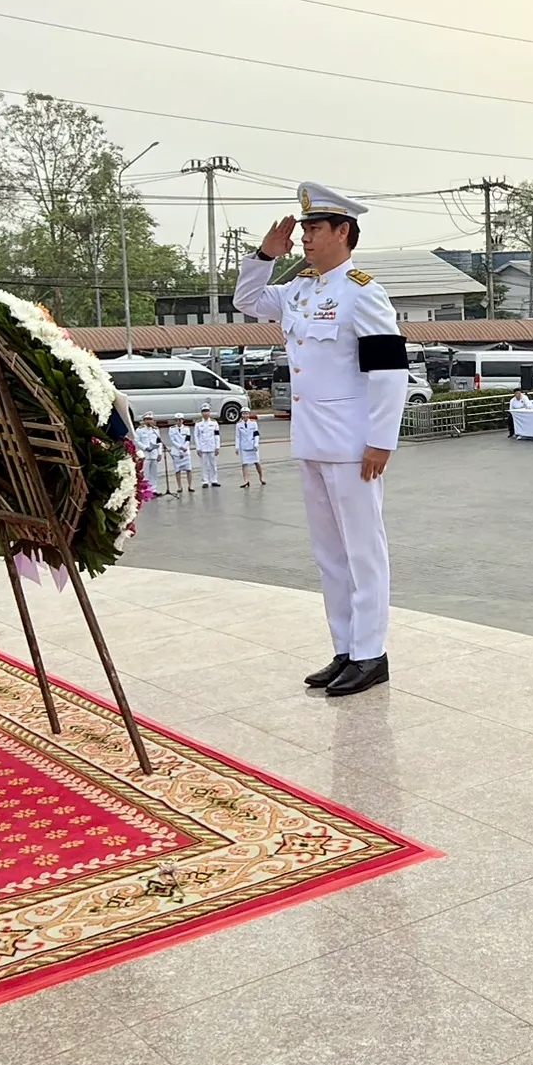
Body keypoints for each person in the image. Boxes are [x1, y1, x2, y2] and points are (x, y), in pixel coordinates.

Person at [233, 183, 406, 696]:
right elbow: (245, 299)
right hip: (311, 440)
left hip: (354, 444)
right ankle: (346, 648)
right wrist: (267, 254)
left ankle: (372, 654)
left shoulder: (362, 291)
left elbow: (389, 371)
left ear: (342, 232)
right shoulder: (300, 289)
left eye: (314, 228)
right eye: (303, 228)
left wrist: (381, 440)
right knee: (329, 553)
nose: (305, 237)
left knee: (363, 551)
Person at [192, 404, 223, 488]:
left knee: (213, 464)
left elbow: (217, 435)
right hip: (203, 447)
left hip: (212, 446)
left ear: (210, 412)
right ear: (202, 413)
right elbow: (196, 436)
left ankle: (214, 480)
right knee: (204, 465)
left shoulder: (214, 422)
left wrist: (217, 447)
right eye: (204, 411)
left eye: (207, 411)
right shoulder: (198, 423)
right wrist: (198, 448)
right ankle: (205, 481)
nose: (206, 413)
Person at [234, 410, 265, 486]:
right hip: (243, 446)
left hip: (252, 445)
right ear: (241, 415)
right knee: (244, 463)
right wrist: (237, 447)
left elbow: (256, 434)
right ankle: (246, 480)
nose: (245, 415)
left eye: (246, 414)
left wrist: (256, 444)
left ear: (249, 414)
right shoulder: (238, 425)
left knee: (257, 462)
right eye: (243, 414)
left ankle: (261, 477)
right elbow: (237, 436)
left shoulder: (253, 423)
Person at [165, 417, 195, 493]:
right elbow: (172, 440)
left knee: (189, 469)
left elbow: (188, 439)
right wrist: (180, 447)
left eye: (180, 420)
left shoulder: (186, 428)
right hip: (176, 451)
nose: (179, 421)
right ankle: (179, 486)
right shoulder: (171, 429)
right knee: (177, 470)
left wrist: (184, 447)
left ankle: (190, 485)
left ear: (182, 420)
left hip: (185, 451)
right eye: (177, 420)